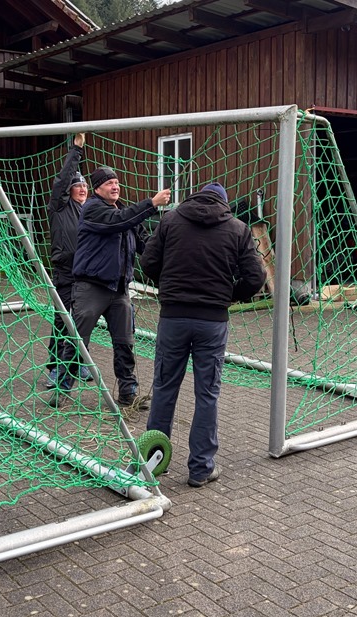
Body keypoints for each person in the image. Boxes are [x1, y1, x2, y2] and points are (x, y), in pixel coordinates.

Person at [139, 182, 266, 487]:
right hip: (212, 321)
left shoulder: (170, 220)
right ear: (224, 203)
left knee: (164, 388)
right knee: (207, 394)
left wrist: (169, 286)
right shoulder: (238, 228)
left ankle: (152, 463)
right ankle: (200, 468)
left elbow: (147, 262)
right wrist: (230, 295)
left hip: (173, 317)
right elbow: (256, 277)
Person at [48, 166, 171, 409]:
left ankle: (128, 391)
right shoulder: (93, 209)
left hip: (119, 290)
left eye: (116, 182)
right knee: (77, 340)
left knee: (125, 342)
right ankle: (62, 388)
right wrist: (151, 204)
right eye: (109, 183)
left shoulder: (125, 212)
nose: (115, 186)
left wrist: (167, 254)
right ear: (97, 189)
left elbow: (144, 243)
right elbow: (118, 222)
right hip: (90, 288)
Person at [45, 133, 93, 386]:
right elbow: (63, 179)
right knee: (62, 320)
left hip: (86, 274)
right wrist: (76, 150)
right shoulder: (59, 207)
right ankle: (55, 366)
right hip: (65, 272)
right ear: (69, 190)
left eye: (85, 186)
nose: (83, 189)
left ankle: (79, 363)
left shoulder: (90, 210)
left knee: (83, 320)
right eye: (78, 186)